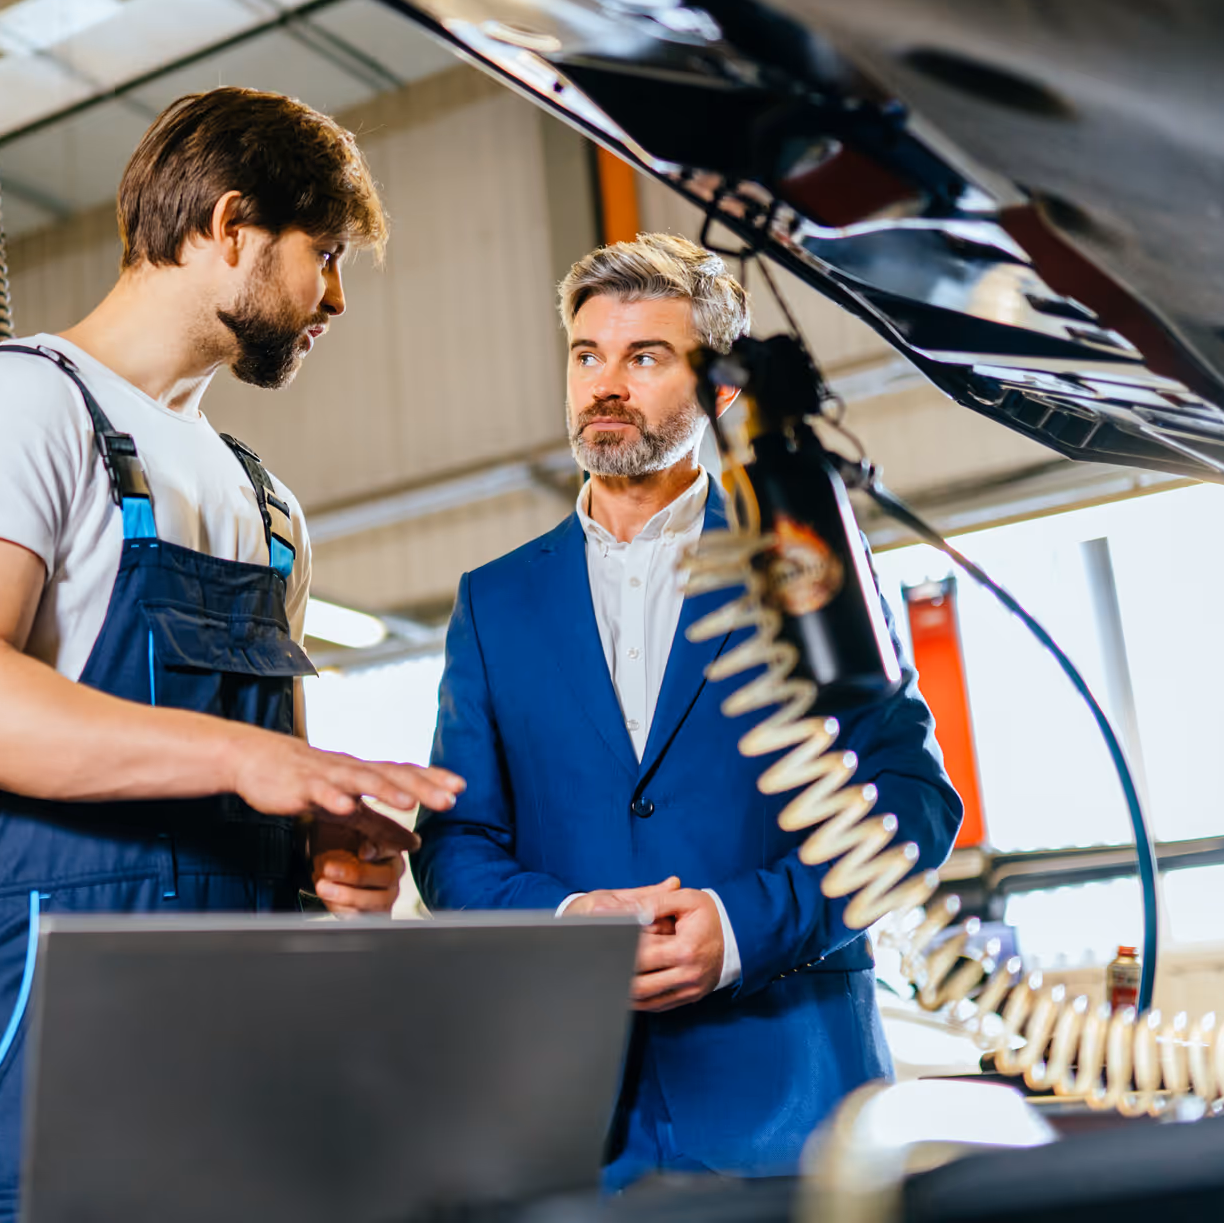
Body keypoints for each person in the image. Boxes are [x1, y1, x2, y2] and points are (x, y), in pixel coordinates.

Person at [0, 87, 463, 1223]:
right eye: (325, 254)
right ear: (232, 226)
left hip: (246, 1096)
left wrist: (329, 851)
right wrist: (246, 759)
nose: (335, 297)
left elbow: (272, 778)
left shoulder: (266, 499)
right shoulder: (8, 408)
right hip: (38, 1090)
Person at [411, 233, 961, 1185]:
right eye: (587, 356)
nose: (604, 384)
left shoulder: (803, 559)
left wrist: (739, 927)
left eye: (645, 357)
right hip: (574, 1116)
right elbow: (455, 845)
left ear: (723, 391)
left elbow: (913, 799)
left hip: (795, 1105)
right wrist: (573, 918)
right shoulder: (493, 602)